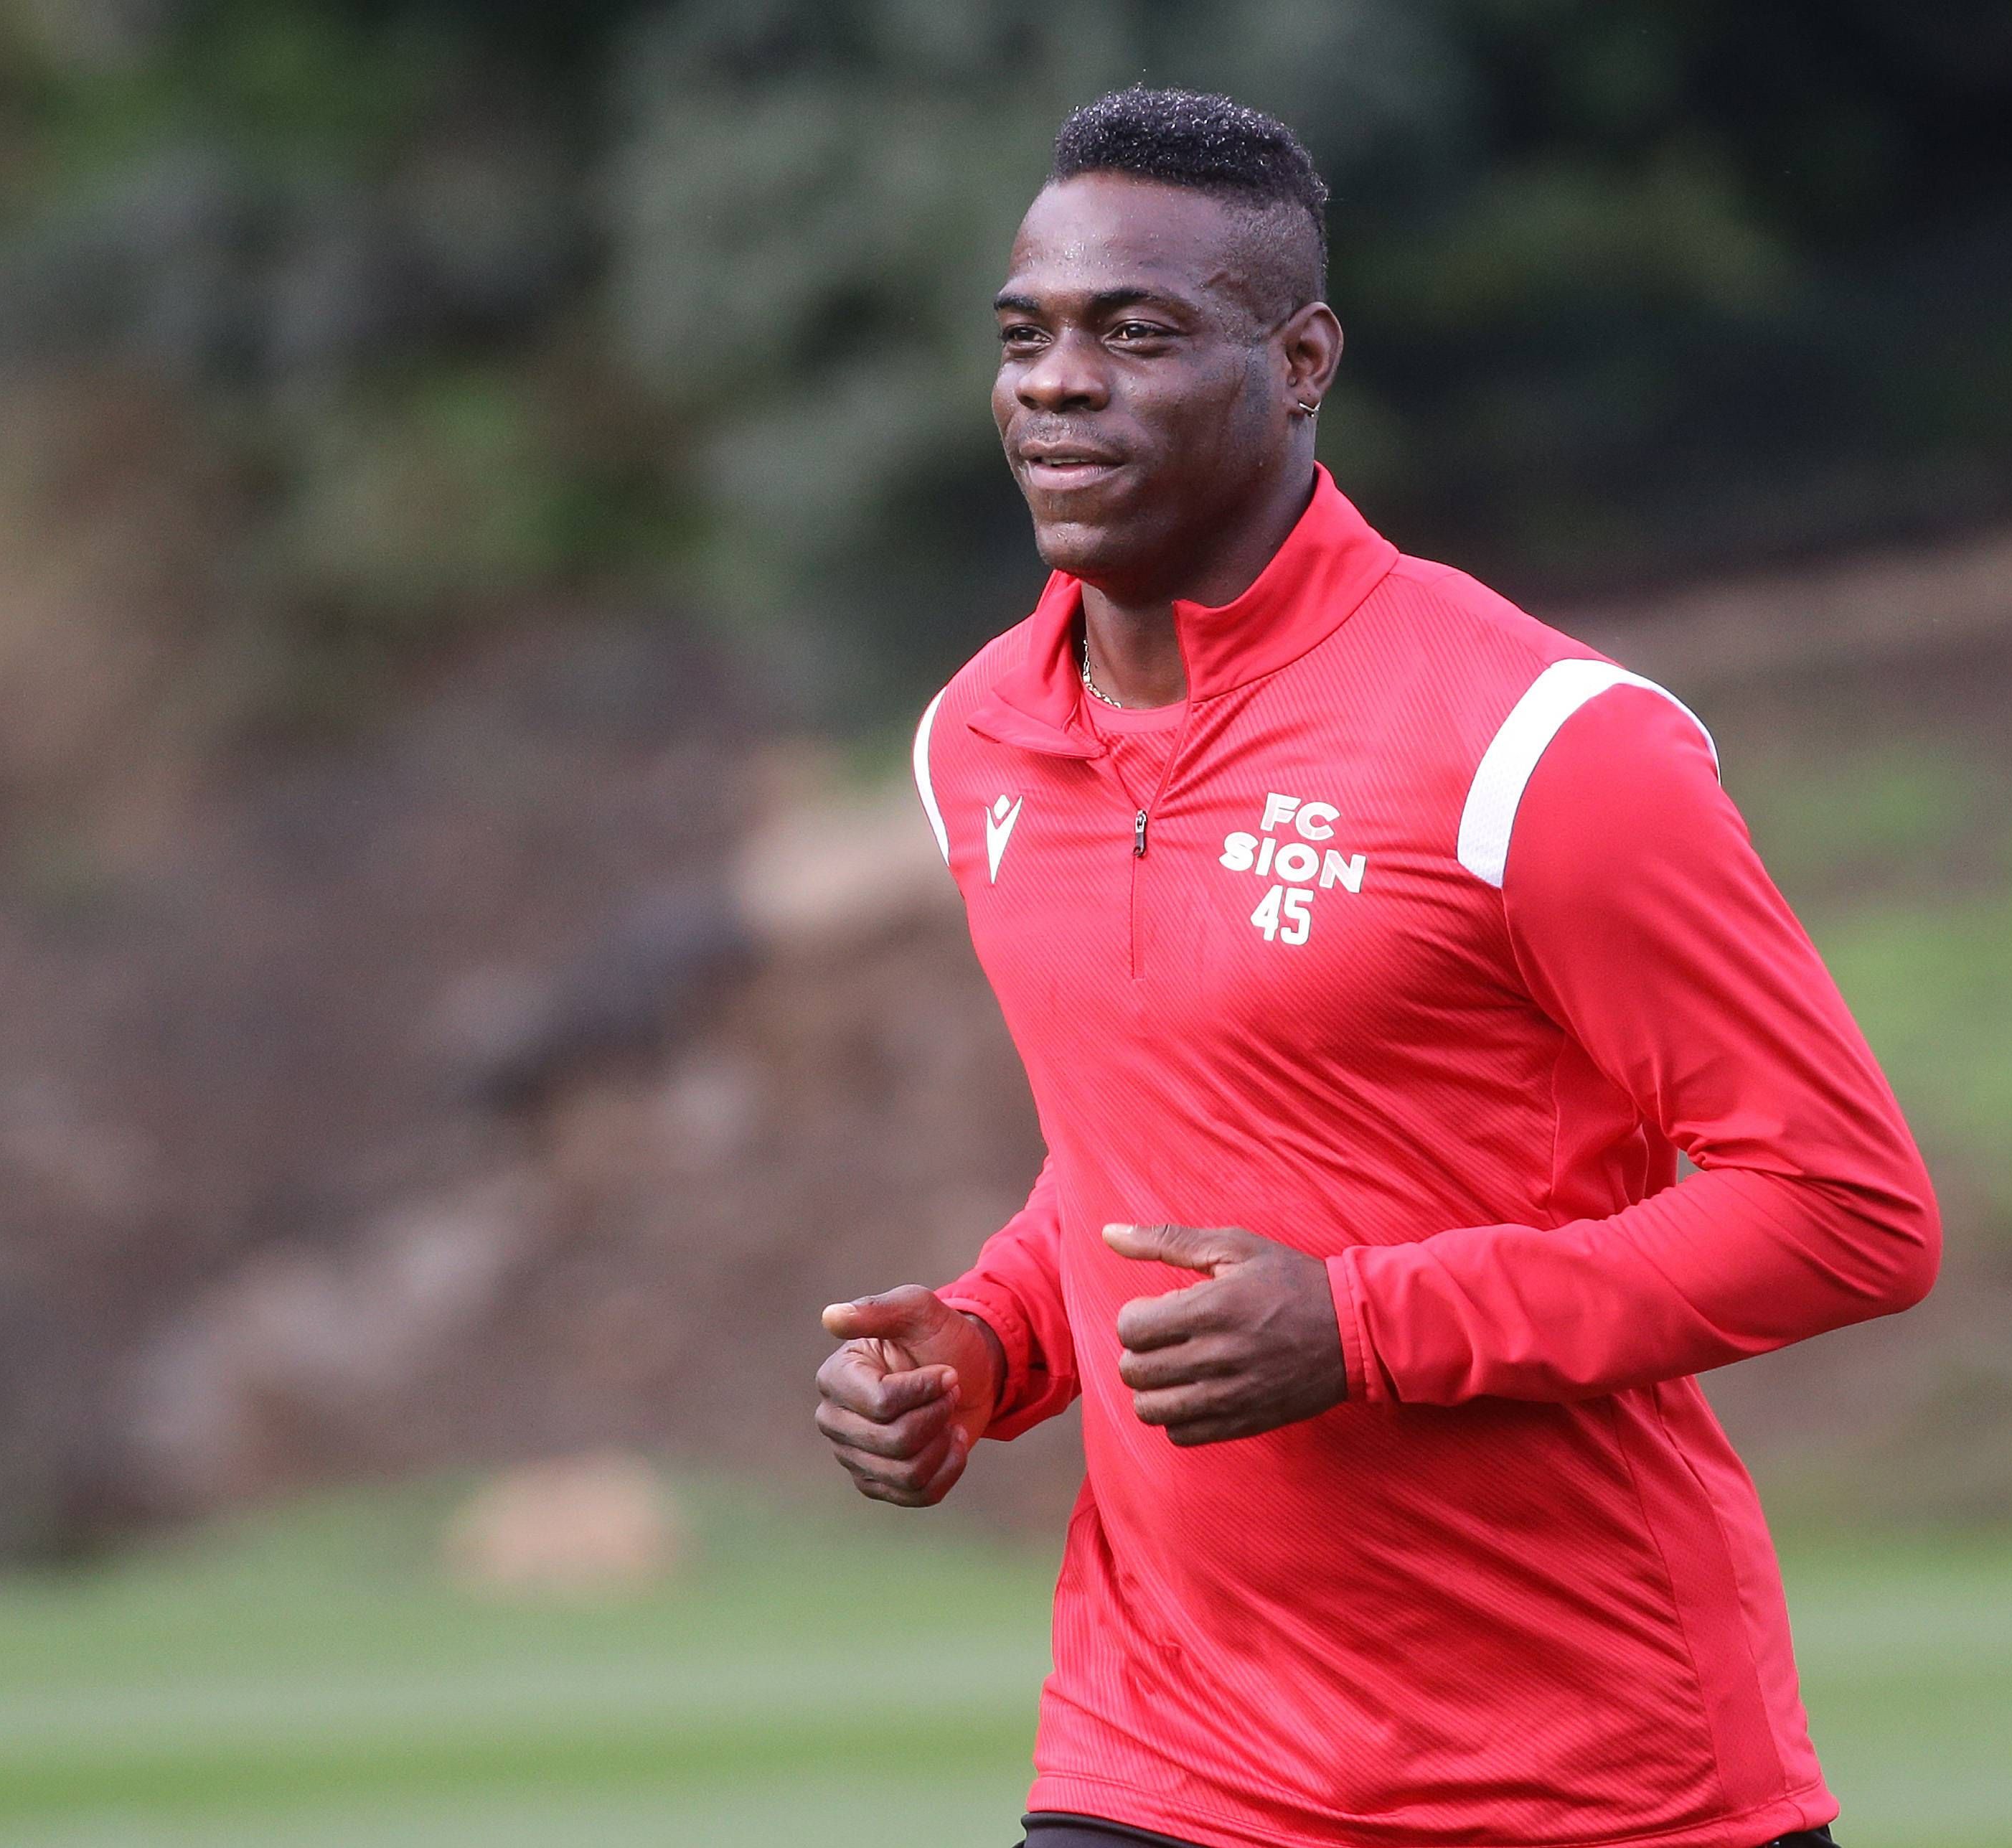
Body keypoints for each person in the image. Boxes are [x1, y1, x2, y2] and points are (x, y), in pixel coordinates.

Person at [814, 87, 1941, 1848]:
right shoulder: (977, 739)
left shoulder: (1539, 745)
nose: (1055, 382)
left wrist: (1359, 1328)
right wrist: (995, 1338)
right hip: (1166, 1757)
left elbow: (1844, 1208)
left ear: (1301, 355)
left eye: (1136, 332)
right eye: (1025, 335)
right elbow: (1163, 1137)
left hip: (1589, 1778)